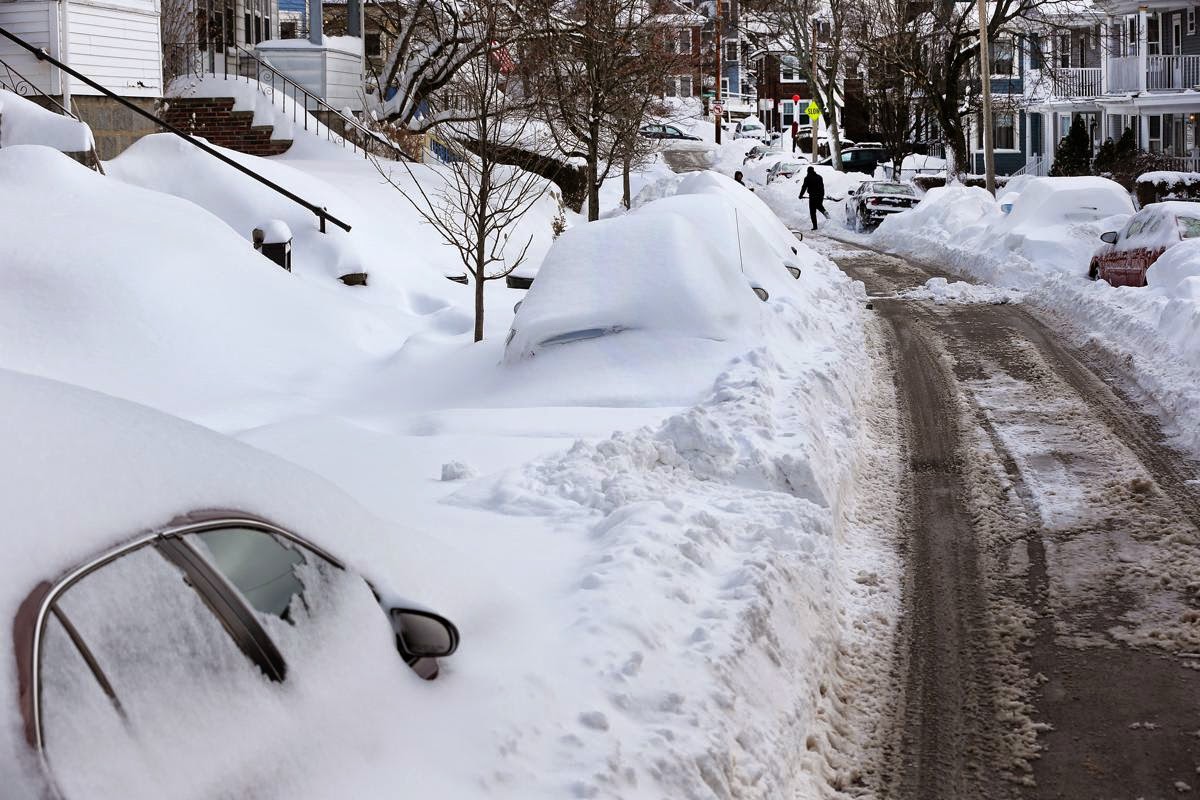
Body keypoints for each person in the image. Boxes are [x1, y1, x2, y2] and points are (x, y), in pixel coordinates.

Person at [798, 167, 829, 231]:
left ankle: (815, 226)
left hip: (812, 196)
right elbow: (822, 187)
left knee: (812, 212)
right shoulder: (819, 177)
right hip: (820, 195)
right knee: (819, 206)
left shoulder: (807, 178)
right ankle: (827, 215)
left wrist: (800, 195)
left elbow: (804, 187)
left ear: (808, 171)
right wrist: (822, 196)